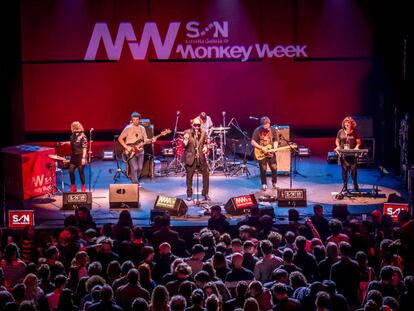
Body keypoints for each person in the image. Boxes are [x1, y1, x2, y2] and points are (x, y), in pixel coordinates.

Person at [118, 112, 156, 184]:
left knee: (140, 168)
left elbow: (145, 140)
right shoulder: (128, 128)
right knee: (134, 168)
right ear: (131, 120)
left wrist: (152, 140)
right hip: (131, 151)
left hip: (140, 151)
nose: (135, 121)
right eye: (134, 119)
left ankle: (135, 180)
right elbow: (120, 139)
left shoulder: (142, 128)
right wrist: (127, 147)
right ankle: (135, 183)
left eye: (137, 119)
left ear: (139, 120)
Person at [182, 117, 210, 201]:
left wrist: (205, 147)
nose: (197, 127)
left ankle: (205, 193)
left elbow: (205, 143)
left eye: (198, 125)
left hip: (201, 158)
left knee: (206, 175)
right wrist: (185, 140)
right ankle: (189, 194)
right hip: (191, 158)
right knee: (189, 177)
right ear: (192, 125)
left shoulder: (203, 133)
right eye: (195, 125)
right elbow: (184, 145)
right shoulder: (187, 132)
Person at [251, 116, 279, 191]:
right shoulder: (257, 130)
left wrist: (275, 147)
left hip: (270, 152)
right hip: (261, 152)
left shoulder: (273, 130)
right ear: (262, 125)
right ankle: (264, 184)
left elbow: (276, 140)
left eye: (268, 124)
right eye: (265, 125)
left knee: (274, 167)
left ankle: (274, 183)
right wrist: (261, 147)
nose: (267, 126)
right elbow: (252, 142)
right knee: (263, 169)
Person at [335, 116, 362, 193]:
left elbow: (358, 142)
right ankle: (345, 186)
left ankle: (355, 184)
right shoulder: (340, 131)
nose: (347, 123)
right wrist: (338, 146)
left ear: (351, 124)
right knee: (344, 171)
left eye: (349, 122)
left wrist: (357, 148)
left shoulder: (355, 132)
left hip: (352, 154)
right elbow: (337, 140)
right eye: (346, 122)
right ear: (344, 123)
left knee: (353, 170)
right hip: (343, 154)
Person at [69, 121, 88, 192]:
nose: (72, 128)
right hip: (74, 156)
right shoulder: (72, 135)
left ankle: (83, 186)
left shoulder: (83, 136)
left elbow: (84, 147)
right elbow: (73, 143)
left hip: (80, 156)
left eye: (73, 127)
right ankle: (73, 186)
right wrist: (64, 143)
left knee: (80, 171)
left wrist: (83, 158)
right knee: (70, 171)